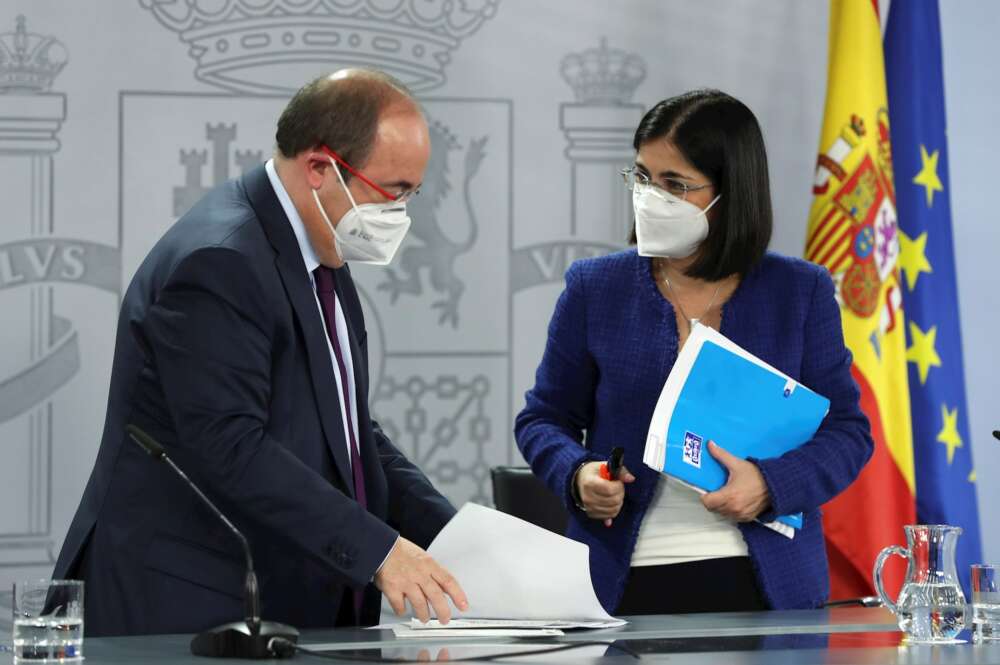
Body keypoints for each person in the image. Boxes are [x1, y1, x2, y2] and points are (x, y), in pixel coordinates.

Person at [53, 69, 468, 636]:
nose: (401, 215)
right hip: (187, 606)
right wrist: (380, 553)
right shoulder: (220, 260)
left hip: (281, 600)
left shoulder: (320, 244)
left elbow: (347, 431)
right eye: (393, 192)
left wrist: (461, 537)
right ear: (321, 168)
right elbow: (230, 445)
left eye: (412, 194)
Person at [515, 89, 873, 615]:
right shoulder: (596, 287)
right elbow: (543, 419)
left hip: (767, 587)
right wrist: (578, 474)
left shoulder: (800, 292)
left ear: (731, 192)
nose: (648, 197)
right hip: (619, 581)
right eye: (640, 177)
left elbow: (848, 433)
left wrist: (772, 485)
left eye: (674, 184)